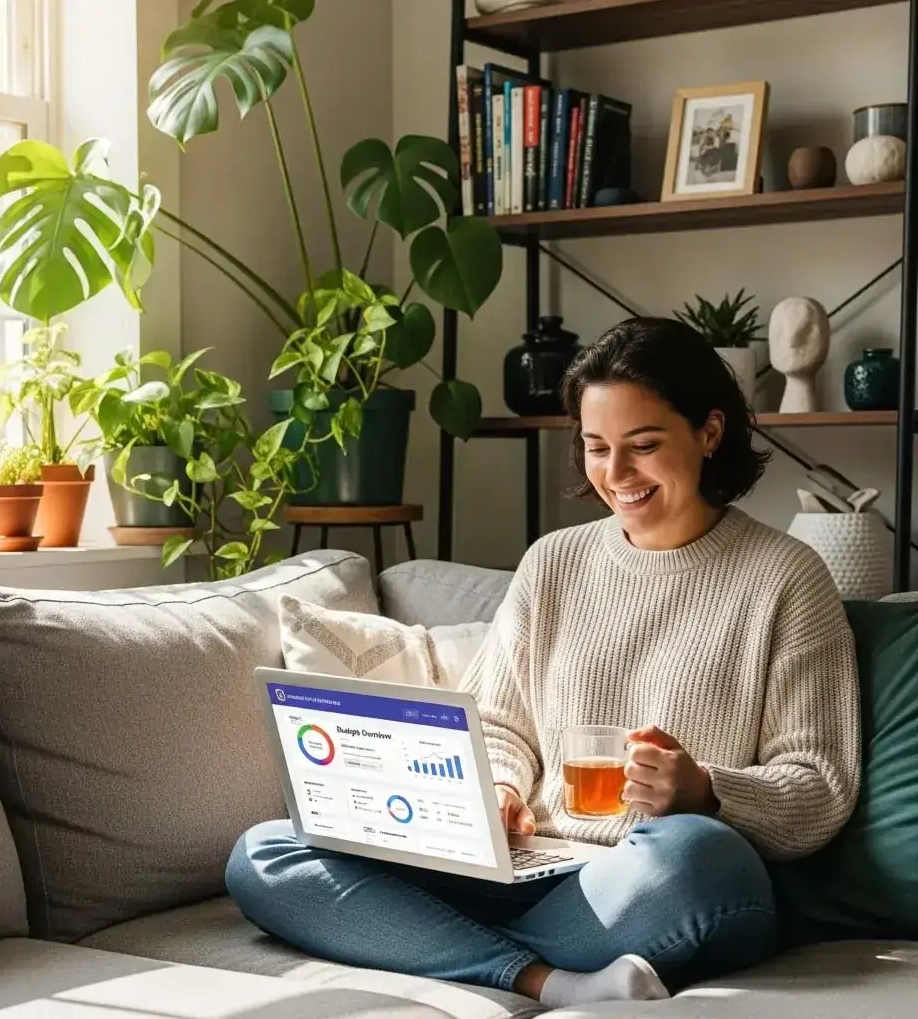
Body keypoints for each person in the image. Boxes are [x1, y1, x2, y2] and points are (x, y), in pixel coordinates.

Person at [226, 317, 861, 1010]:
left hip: (653, 877)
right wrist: (497, 791)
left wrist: (706, 791)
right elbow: (498, 723)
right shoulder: (553, 562)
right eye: (596, 448)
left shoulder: (787, 576)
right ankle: (550, 979)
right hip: (531, 867)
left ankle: (423, 938)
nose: (616, 475)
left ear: (710, 432)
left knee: (698, 857)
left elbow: (820, 787)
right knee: (266, 852)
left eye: (643, 446)